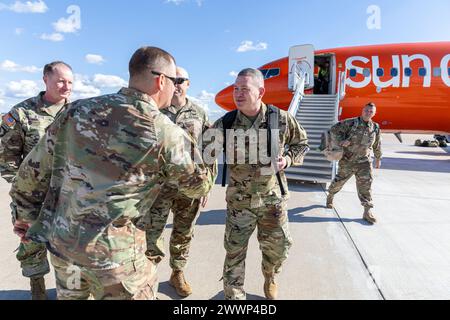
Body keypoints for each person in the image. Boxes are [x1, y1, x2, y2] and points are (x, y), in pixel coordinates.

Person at [10, 46, 214, 300]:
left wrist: (26, 218)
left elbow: (30, 174)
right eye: (173, 82)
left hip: (65, 252)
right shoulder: (163, 130)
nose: (175, 88)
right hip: (116, 262)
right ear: (161, 81)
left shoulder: (76, 111)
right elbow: (199, 185)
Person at [208, 68, 309, 300]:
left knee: (278, 249)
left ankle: (270, 276)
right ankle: (234, 295)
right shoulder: (226, 123)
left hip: (272, 202)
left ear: (261, 91)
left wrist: (288, 159)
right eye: (236, 89)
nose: (238, 94)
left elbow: (302, 143)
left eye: (245, 89)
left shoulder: (280, 119)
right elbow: (205, 156)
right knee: (234, 253)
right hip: (239, 203)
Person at [0, 61, 73, 300]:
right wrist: (23, 188)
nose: (66, 86)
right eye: (61, 80)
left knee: (71, 249)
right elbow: (6, 158)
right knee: (32, 246)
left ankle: (71, 292)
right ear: (46, 80)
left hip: (69, 197)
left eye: (70, 82)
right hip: (31, 199)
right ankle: (38, 289)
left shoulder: (77, 113)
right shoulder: (22, 113)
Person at [145, 66, 215, 297]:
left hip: (190, 186)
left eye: (181, 80)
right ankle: (148, 276)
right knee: (152, 233)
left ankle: (177, 273)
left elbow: (210, 150)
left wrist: (208, 184)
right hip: (159, 188)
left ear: (188, 83)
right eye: (172, 79)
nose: (176, 84)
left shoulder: (199, 113)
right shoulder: (155, 111)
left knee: (183, 233)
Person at [326, 102, 382, 224]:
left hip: (364, 162)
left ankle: (367, 211)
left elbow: (377, 144)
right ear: (362, 110)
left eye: (371, 111)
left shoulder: (375, 127)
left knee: (366, 186)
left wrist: (378, 158)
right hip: (348, 160)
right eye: (366, 110)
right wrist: (341, 141)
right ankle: (330, 195)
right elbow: (333, 130)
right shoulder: (351, 123)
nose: (368, 113)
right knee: (339, 182)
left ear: (374, 113)